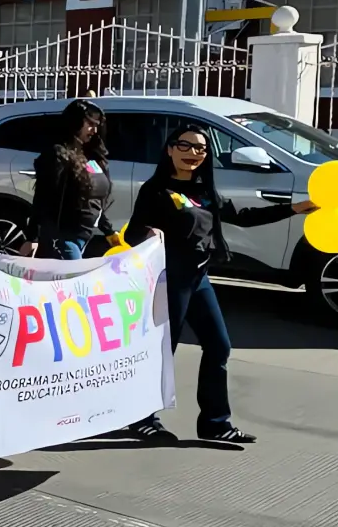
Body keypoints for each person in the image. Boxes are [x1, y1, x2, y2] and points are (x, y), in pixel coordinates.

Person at [126, 123, 315, 444]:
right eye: (184, 146)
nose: (192, 154)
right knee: (161, 351)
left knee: (218, 346)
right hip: (167, 279)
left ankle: (216, 423)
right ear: (170, 149)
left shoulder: (204, 191)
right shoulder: (155, 190)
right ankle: (141, 418)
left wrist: (295, 209)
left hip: (198, 279)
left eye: (200, 148)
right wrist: (146, 232)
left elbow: (243, 216)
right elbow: (132, 233)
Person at [27, 99, 118, 261]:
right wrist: (32, 238)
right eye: (89, 124)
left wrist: (109, 232)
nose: (94, 130)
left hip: (82, 237)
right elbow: (43, 197)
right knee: (73, 284)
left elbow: (94, 201)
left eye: (97, 125)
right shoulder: (58, 154)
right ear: (75, 122)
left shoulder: (92, 156)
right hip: (61, 238)